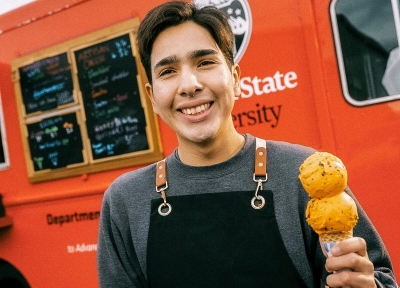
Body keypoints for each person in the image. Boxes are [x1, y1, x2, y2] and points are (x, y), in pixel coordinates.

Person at [97, 1, 398, 287]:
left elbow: (379, 278)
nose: (189, 85)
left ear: (236, 78)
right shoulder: (124, 200)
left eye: (205, 62)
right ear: (152, 96)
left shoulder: (304, 175)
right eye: (168, 71)